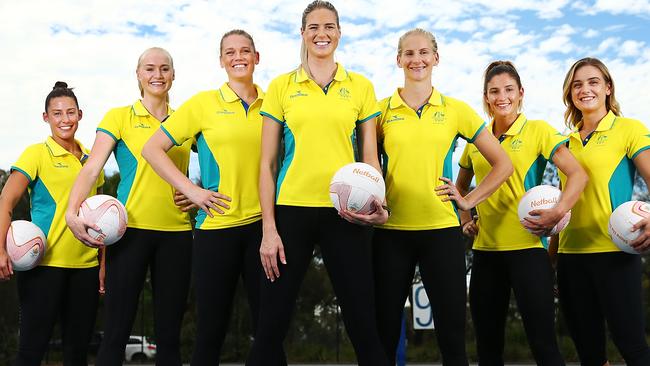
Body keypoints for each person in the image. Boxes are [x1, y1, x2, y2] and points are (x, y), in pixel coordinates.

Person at [246, 1, 390, 365]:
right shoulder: (281, 86)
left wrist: (379, 204)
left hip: (347, 214)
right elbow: (266, 163)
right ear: (303, 33)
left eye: (328, 27)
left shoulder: (360, 87)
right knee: (270, 325)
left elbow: (370, 158)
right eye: (313, 27)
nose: (321, 33)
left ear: (339, 33)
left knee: (362, 323)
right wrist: (268, 228)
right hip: (291, 212)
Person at [142, 30, 286, 365]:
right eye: (230, 52)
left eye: (245, 51)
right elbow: (152, 149)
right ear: (221, 60)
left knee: (270, 332)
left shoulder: (276, 104)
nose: (238, 57)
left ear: (257, 57)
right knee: (210, 332)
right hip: (215, 231)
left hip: (264, 231)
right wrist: (192, 189)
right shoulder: (202, 104)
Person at [371, 29, 513, 365]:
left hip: (442, 234)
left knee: (452, 336)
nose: (416, 60)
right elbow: (361, 166)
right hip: (390, 233)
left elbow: (502, 164)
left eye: (423, 53)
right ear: (398, 60)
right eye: (408, 53)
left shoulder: (456, 110)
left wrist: (467, 200)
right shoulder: (379, 112)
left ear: (436, 58)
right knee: (385, 334)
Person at [65, 47, 193, 366]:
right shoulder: (119, 117)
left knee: (169, 337)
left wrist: (198, 193)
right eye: (149, 68)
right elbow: (92, 168)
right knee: (116, 332)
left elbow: (211, 168)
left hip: (176, 234)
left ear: (174, 75)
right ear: (138, 75)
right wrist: (71, 211)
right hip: (128, 233)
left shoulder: (187, 120)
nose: (157, 75)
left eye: (165, 68)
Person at [456, 60, 587, 365]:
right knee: (488, 350)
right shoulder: (476, 141)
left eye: (509, 89)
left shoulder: (538, 131)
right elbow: (460, 186)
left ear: (520, 93)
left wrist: (558, 212)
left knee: (543, 345)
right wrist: (465, 218)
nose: (502, 96)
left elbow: (577, 174)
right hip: (486, 253)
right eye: (494, 91)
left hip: (529, 252)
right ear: (486, 97)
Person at [552, 57, 650, 366]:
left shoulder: (628, 129)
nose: (585, 89)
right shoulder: (564, 143)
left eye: (593, 82)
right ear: (571, 94)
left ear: (608, 88)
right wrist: (551, 258)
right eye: (577, 84)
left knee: (632, 348)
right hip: (570, 257)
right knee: (589, 355)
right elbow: (561, 204)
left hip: (615, 253)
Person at [0, 82, 103, 366]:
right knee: (31, 353)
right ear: (46, 117)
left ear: (80, 115)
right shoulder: (36, 154)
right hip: (42, 267)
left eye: (70, 113)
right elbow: (5, 201)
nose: (65, 120)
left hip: (85, 269)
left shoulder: (92, 161)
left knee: (77, 356)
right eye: (57, 114)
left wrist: (103, 264)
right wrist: (1, 250)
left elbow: (101, 219)